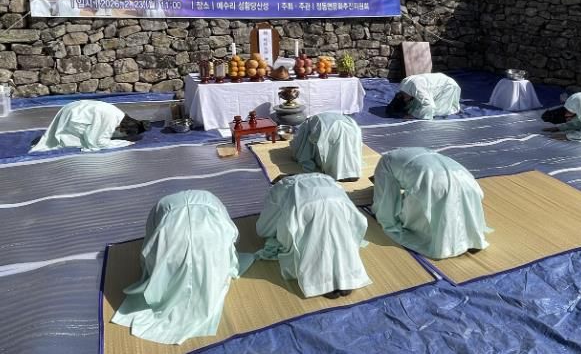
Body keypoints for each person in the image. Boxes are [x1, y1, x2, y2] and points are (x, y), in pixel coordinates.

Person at [111, 190, 240, 344]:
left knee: (168, 251)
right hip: (212, 234)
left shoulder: (161, 206)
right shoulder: (213, 201)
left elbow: (149, 249)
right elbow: (232, 235)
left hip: (171, 233)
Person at [255, 173, 372, 299]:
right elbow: (356, 221)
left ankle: (321, 281)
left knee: (308, 233)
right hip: (340, 205)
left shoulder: (280, 186)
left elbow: (264, 228)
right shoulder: (327, 179)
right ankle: (345, 276)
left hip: (306, 209)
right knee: (339, 233)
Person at [372, 147, 490, 260]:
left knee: (432, 213)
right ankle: (471, 239)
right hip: (466, 179)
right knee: (456, 207)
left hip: (435, 181)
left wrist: (382, 217)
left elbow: (385, 199)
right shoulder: (415, 153)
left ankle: (444, 243)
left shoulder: (384, 163)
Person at [29, 100, 150, 152]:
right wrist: (122, 143)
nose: (120, 135)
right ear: (124, 129)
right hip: (73, 117)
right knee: (87, 141)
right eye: (123, 135)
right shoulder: (111, 120)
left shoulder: (119, 115)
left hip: (72, 110)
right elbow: (97, 142)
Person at [290, 112, 362, 181]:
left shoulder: (309, 124)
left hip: (327, 126)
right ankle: (346, 171)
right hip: (347, 127)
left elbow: (300, 144)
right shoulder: (311, 123)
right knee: (341, 147)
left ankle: (337, 171)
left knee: (335, 146)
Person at [386, 73, 460, 119]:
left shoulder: (418, 90)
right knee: (417, 103)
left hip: (448, 86)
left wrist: (413, 116)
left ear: (405, 99)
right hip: (439, 80)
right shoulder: (404, 84)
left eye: (406, 102)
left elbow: (429, 106)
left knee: (437, 110)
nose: (408, 103)